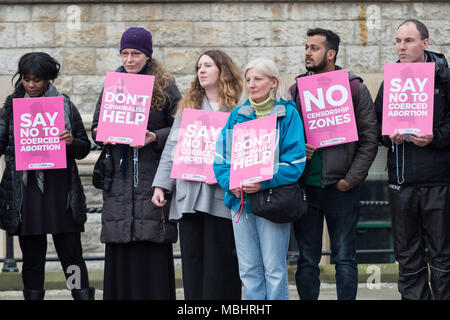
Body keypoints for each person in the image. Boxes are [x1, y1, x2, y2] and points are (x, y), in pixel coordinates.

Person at [91, 27, 182, 300]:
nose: (130, 59)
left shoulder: (165, 85)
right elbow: (97, 127)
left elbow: (180, 128)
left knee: (151, 244)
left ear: (147, 55)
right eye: (125, 53)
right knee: (122, 245)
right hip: (120, 180)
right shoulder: (114, 83)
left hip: (152, 176)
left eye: (136, 54)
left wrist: (154, 136)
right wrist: (108, 134)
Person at [289, 28, 378, 300]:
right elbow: (286, 138)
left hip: (342, 189)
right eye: (306, 46)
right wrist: (297, 149)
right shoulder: (296, 90)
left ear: (331, 53)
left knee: (344, 257)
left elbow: (370, 138)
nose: (307, 52)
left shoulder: (354, 87)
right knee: (306, 260)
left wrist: (351, 179)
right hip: (307, 188)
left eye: (314, 48)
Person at [0, 52, 94, 300]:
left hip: (60, 191)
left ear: (48, 79)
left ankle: (80, 294)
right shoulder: (11, 107)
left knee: (71, 256)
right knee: (32, 258)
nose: (31, 85)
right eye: (27, 79)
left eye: (37, 80)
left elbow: (84, 148)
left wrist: (72, 142)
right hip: (26, 192)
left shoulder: (64, 104)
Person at [151, 50, 242, 300]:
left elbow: (245, 147)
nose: (201, 70)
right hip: (189, 194)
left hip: (220, 195)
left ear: (222, 70)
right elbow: (172, 147)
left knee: (220, 263)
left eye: (208, 65)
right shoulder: (188, 105)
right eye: (199, 66)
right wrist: (161, 186)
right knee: (192, 261)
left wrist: (228, 175)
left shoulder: (239, 107)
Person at [213, 58, 306, 300]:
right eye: (249, 79)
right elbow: (221, 158)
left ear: (273, 82)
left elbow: (295, 164)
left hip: (272, 202)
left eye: (258, 79)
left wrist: (263, 182)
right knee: (249, 270)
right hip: (241, 203)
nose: (252, 84)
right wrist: (229, 183)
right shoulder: (237, 115)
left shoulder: (288, 115)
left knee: (274, 270)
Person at [374, 19, 450, 300]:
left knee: (442, 255)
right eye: (397, 41)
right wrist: (388, 136)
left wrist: (436, 137)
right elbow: (377, 125)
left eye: (408, 40)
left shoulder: (445, 78)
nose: (401, 47)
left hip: (438, 182)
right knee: (407, 256)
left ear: (425, 43)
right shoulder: (390, 82)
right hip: (401, 182)